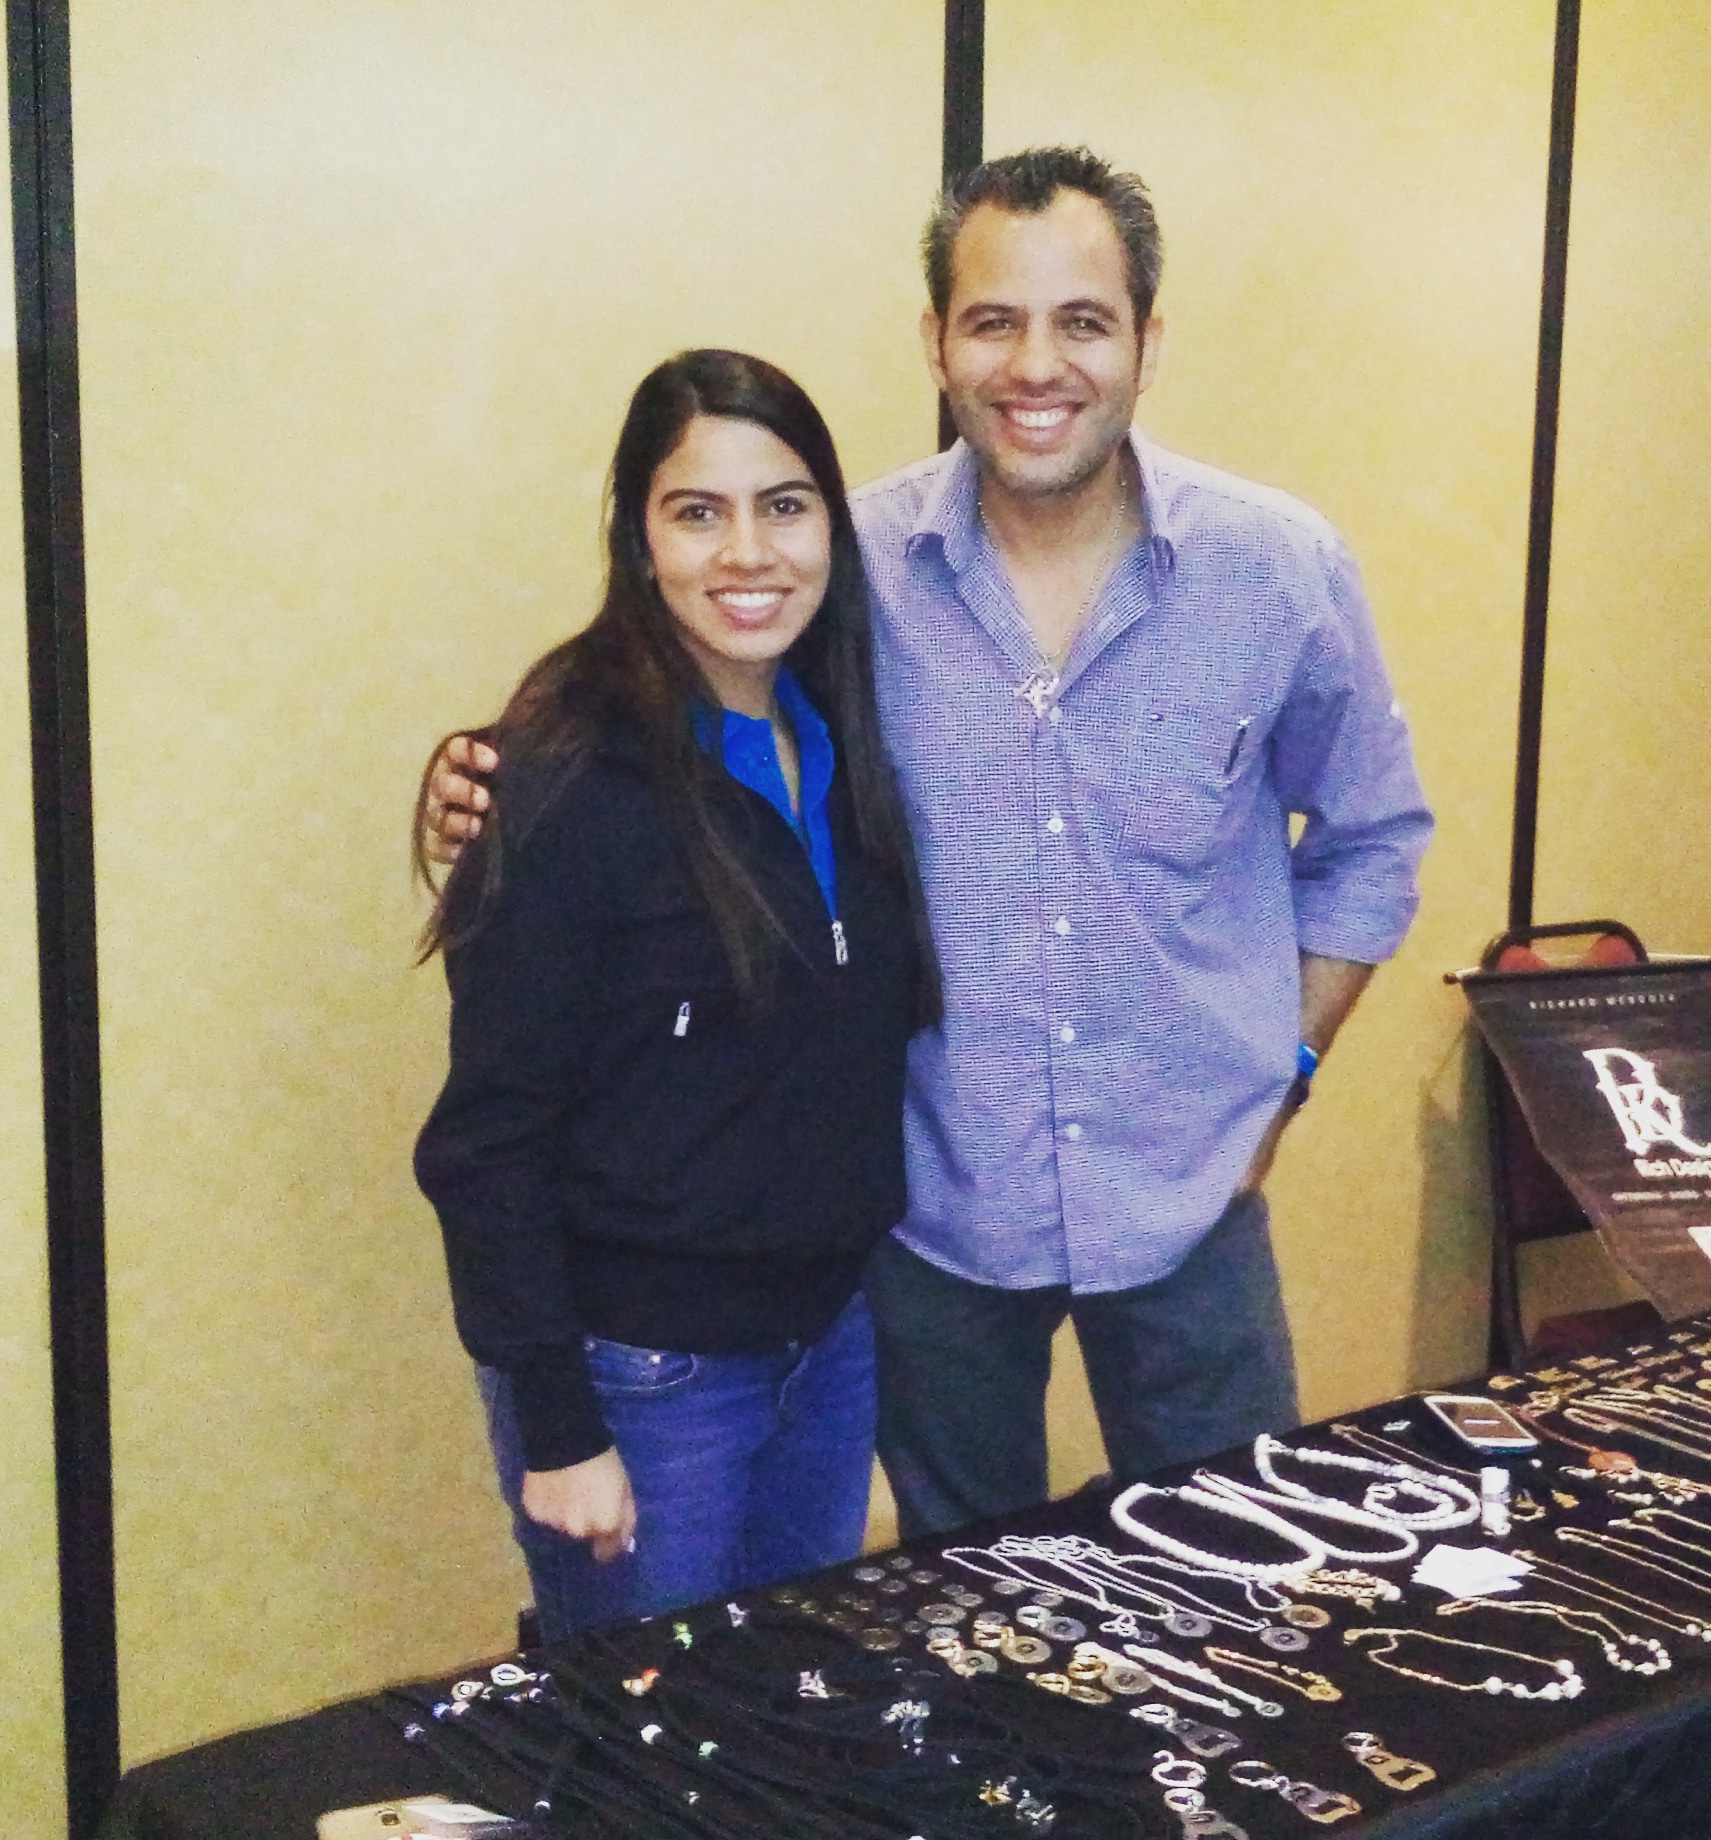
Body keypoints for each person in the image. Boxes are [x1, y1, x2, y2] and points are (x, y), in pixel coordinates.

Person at [428, 148, 1432, 1543]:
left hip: (1191, 1198)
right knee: (957, 1607)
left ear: (1148, 340)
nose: (1038, 366)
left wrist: (1291, 1076)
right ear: (936, 341)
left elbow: (1373, 840)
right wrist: (496, 775)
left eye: (1083, 321)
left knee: (1246, 1581)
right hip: (932, 1218)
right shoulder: (846, 566)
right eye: (993, 321)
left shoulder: (1278, 571)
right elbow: (669, 704)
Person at [413, 349, 935, 1639]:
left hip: (830, 1349)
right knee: (647, 1737)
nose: (748, 553)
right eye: (698, 512)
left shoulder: (850, 733)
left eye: (785, 506)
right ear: (640, 542)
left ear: (832, 530)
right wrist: (559, 1429)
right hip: (645, 1380)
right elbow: (487, 1142)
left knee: (780, 1713)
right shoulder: (567, 780)